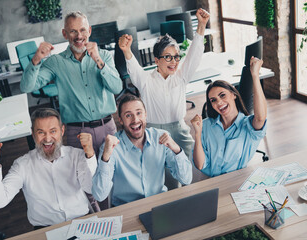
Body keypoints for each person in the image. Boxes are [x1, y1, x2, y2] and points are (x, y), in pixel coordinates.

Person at [118, 8, 209, 183]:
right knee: (166, 177)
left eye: (176, 57)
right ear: (156, 60)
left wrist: (202, 26)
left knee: (191, 171)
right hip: (155, 133)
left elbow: (194, 56)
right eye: (168, 57)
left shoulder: (181, 77)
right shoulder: (145, 80)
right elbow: (133, 66)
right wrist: (126, 50)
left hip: (180, 129)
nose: (174, 62)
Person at [20, 11, 122, 155]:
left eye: (82, 30)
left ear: (89, 31)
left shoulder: (104, 56)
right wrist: (36, 59)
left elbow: (117, 87)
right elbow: (26, 87)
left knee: (115, 171)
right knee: (84, 176)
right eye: (73, 31)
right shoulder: (56, 62)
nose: (79, 36)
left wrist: (98, 61)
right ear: (65, 34)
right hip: (78, 133)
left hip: (107, 128)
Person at [0, 108, 97, 228]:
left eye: (53, 131)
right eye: (41, 132)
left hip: (82, 221)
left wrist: (90, 155)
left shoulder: (78, 155)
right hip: (46, 229)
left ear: (62, 130)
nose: (48, 139)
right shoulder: (22, 165)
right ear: (33, 134)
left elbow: (91, 188)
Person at [92, 95, 192, 207]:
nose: (135, 120)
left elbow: (186, 179)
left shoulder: (161, 138)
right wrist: (105, 157)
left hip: (158, 205)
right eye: (128, 115)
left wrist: (176, 149)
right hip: (127, 208)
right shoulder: (111, 147)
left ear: (145, 115)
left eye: (139, 113)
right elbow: (99, 195)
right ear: (120, 120)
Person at [190, 57, 267, 177]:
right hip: (212, 182)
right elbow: (200, 165)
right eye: (213, 100)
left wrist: (255, 75)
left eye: (222, 95)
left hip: (236, 180)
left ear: (234, 94)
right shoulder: (205, 126)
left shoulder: (248, 126)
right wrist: (197, 134)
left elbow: (260, 118)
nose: (219, 102)